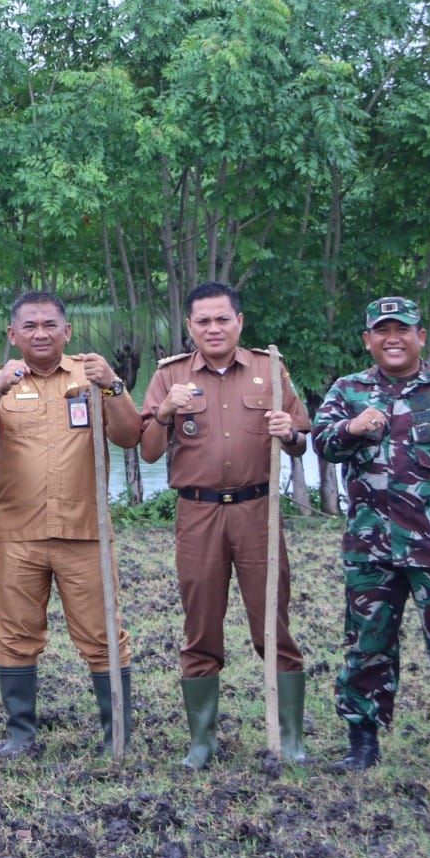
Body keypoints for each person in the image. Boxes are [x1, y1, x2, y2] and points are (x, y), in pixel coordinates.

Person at [310, 295, 430, 777]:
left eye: (403, 330)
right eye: (382, 331)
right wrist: (354, 428)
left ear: (421, 336)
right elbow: (322, 441)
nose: (392, 338)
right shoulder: (348, 390)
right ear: (368, 340)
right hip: (370, 546)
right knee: (367, 644)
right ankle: (362, 742)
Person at [136, 283, 312, 768]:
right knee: (200, 626)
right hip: (198, 513)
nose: (213, 329)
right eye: (203, 321)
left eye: (222, 320)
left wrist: (290, 434)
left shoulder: (269, 370)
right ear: (190, 327)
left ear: (239, 322)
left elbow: (300, 439)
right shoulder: (169, 375)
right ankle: (202, 742)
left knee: (272, 622)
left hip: (258, 510)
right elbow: (148, 450)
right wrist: (166, 411)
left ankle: (291, 738)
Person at [0, 293, 143, 756]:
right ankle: (21, 735)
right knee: (16, 635)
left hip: (85, 532)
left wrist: (115, 387)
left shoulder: (94, 374)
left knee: (102, 635)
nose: (39, 334)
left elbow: (129, 436)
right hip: (17, 534)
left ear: (67, 331)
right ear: (13, 334)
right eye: (29, 326)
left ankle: (116, 736)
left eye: (49, 325)